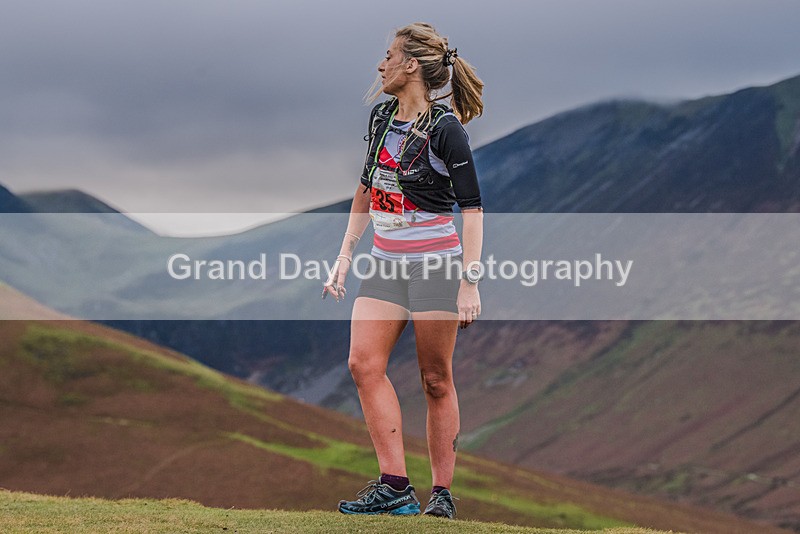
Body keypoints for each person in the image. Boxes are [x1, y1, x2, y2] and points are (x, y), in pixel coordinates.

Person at [323, 22, 484, 520]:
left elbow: (473, 209)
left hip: (436, 264)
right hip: (386, 262)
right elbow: (366, 191)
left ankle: (441, 496)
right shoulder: (380, 118)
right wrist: (345, 256)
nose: (381, 64)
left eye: (388, 55)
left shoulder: (444, 128)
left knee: (435, 379)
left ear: (411, 64)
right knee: (363, 364)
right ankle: (394, 485)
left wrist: (469, 282)